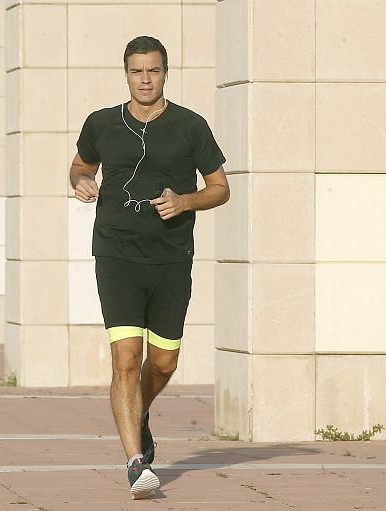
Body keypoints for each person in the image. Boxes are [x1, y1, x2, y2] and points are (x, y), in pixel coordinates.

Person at [69, 35, 229, 500]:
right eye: (137, 71)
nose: (145, 79)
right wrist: (81, 180)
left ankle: (138, 411)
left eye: (153, 71)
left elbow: (220, 187)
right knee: (125, 358)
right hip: (116, 255)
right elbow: (80, 165)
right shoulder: (101, 123)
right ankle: (136, 463)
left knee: (163, 361)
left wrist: (185, 202)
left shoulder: (190, 126)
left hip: (171, 259)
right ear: (126, 74)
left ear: (165, 74)